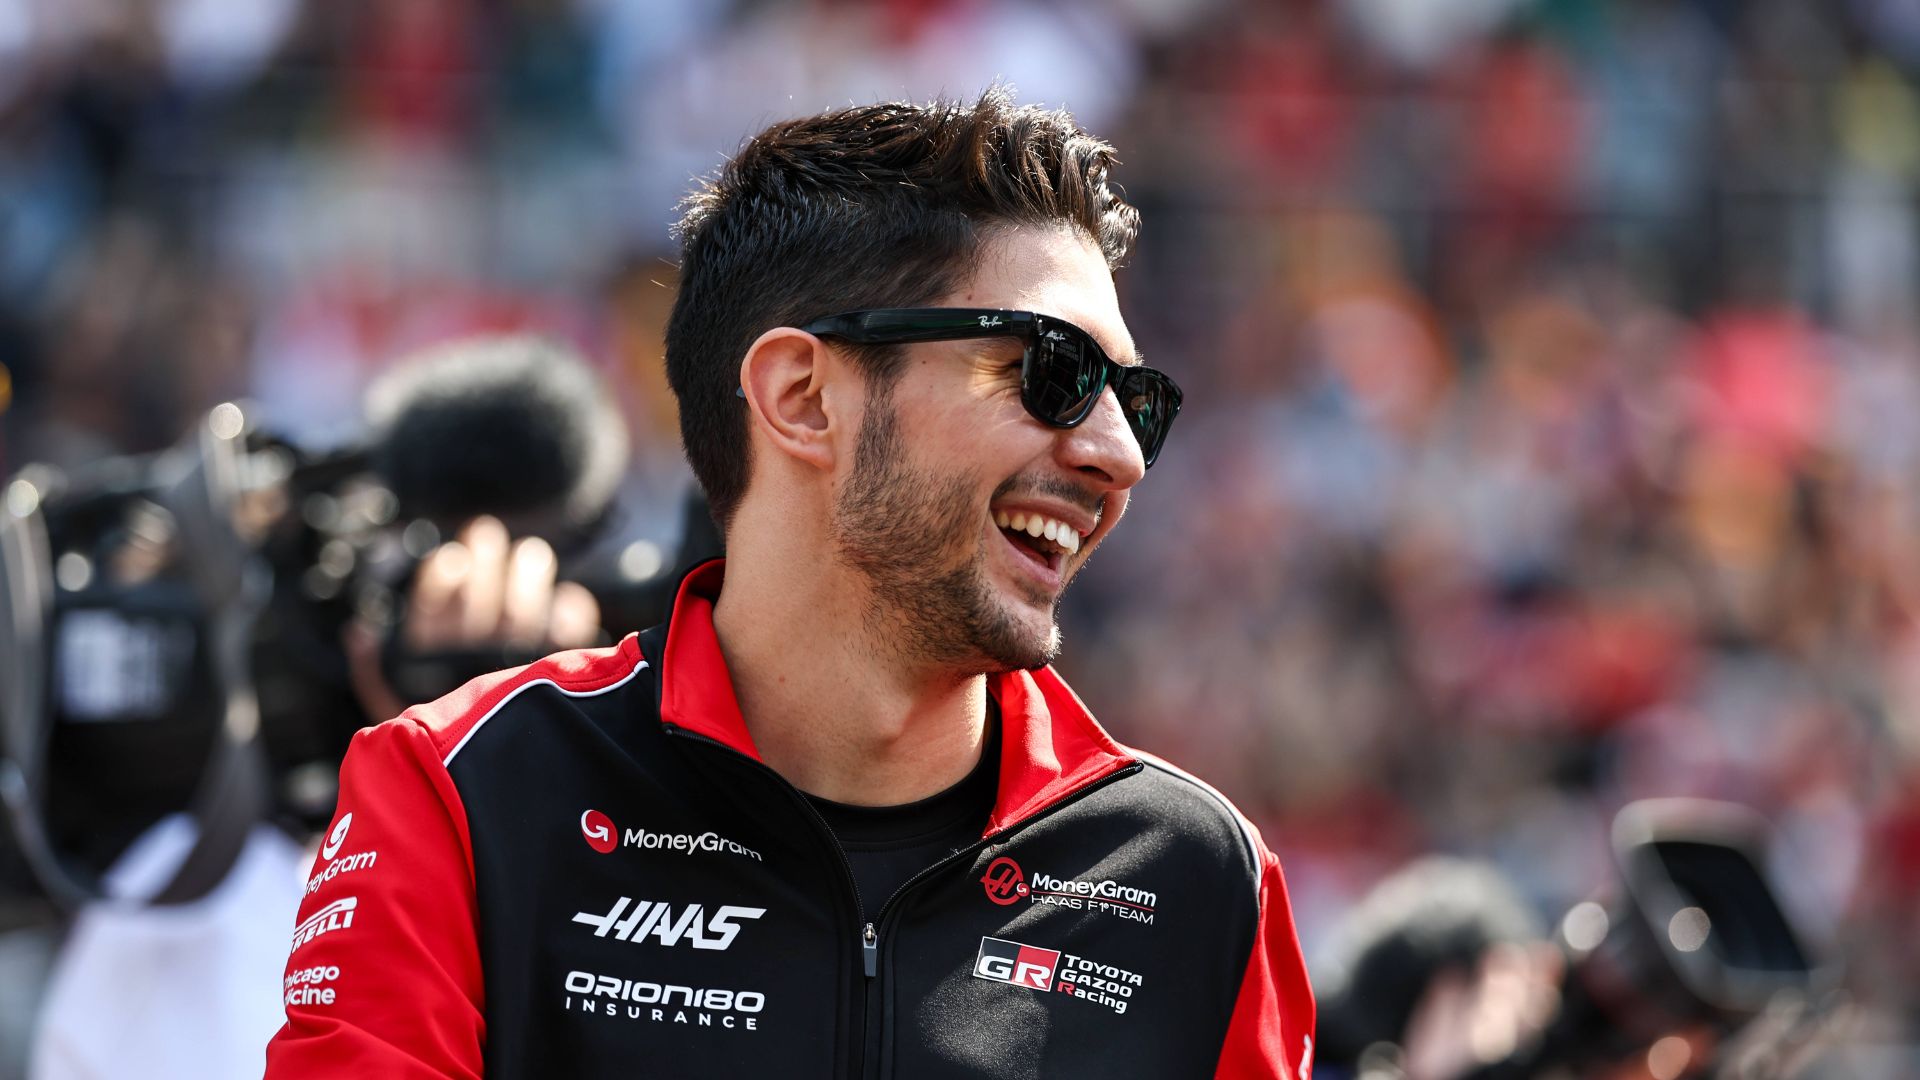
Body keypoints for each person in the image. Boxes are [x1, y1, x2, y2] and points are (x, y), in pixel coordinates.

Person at [264, 89, 1315, 1079]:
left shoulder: (1200, 878)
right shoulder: (461, 792)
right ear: (804, 397)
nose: (1119, 455)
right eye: (1054, 373)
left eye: (1137, 399)